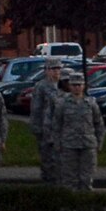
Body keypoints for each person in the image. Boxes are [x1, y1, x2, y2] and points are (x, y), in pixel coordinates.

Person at [51, 69, 105, 191]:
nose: (76, 88)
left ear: (83, 86)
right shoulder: (62, 103)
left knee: (87, 177)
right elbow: (57, 125)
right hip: (69, 144)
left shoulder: (91, 103)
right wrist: (57, 143)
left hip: (88, 144)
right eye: (74, 85)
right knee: (69, 178)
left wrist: (99, 142)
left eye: (79, 85)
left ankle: (85, 205)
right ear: (69, 86)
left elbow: (99, 124)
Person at [32, 58, 65, 186]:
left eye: (58, 69)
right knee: (47, 160)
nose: (56, 72)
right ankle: (48, 184)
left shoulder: (65, 85)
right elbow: (36, 109)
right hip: (46, 130)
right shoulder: (41, 86)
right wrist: (37, 129)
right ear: (46, 71)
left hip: (62, 131)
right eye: (53, 69)